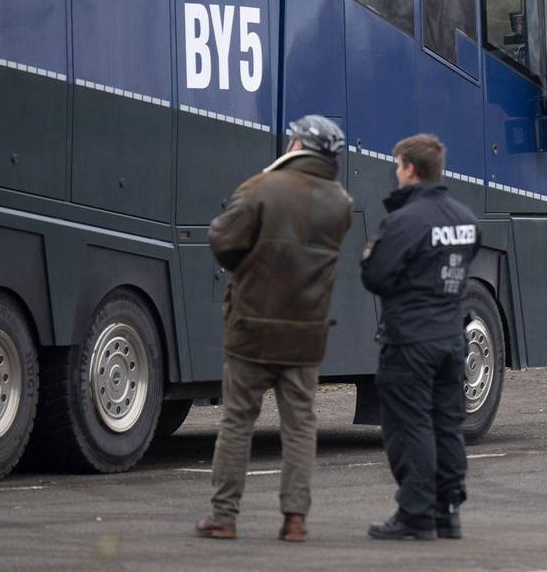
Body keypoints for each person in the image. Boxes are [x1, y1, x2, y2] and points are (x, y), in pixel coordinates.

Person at [194, 115, 353, 542]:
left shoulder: (259, 189)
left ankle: (224, 517)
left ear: (298, 144)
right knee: (300, 425)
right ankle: (295, 520)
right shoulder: (340, 203)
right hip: (306, 333)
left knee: (237, 422)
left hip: (252, 330)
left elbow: (223, 242)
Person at [361, 134, 480, 541]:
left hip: (410, 339)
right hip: (450, 337)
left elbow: (375, 276)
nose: (397, 173)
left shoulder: (405, 221)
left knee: (409, 424)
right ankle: (448, 510)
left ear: (410, 169)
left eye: (398, 166)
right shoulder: (464, 218)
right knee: (447, 423)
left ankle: (415, 512)